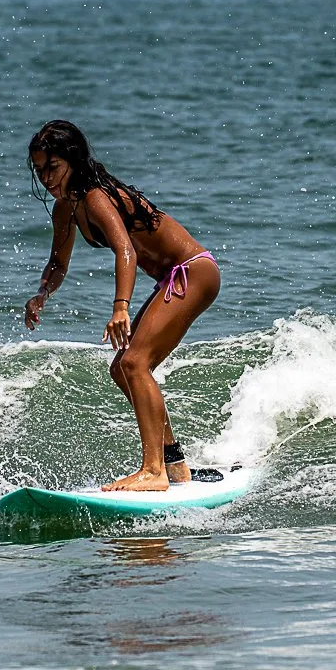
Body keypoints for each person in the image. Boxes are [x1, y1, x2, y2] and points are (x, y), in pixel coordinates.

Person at [22, 119, 219, 491]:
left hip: (194, 272)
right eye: (39, 170)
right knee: (122, 368)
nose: (46, 178)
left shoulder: (96, 196)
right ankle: (174, 463)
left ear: (73, 160)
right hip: (174, 278)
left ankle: (153, 471)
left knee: (134, 361)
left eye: (53, 167)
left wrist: (120, 308)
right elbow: (58, 263)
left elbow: (124, 249)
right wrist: (42, 294)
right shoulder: (66, 208)